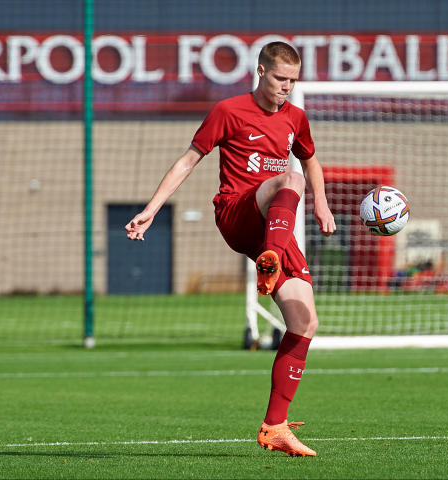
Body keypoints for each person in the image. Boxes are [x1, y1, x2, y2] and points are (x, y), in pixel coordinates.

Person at [125, 41, 336, 457]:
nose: (287, 89)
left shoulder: (296, 117)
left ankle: (274, 426)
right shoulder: (228, 111)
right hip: (237, 214)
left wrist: (324, 202)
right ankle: (270, 261)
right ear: (260, 72)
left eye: (293, 81)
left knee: (305, 320)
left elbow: (310, 159)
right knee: (289, 180)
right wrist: (151, 209)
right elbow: (189, 160)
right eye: (280, 79)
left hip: (272, 230)